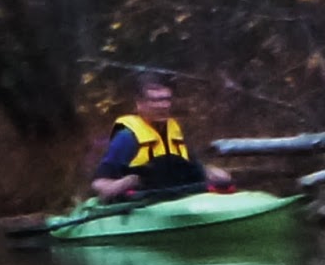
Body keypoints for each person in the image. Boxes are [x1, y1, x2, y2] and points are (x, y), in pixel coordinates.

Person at [91, 76, 233, 202]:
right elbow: (100, 183)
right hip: (146, 201)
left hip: (181, 196)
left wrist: (211, 172)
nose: (163, 105)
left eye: (166, 99)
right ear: (139, 104)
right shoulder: (127, 137)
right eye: (155, 100)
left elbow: (192, 166)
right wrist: (129, 181)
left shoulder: (175, 132)